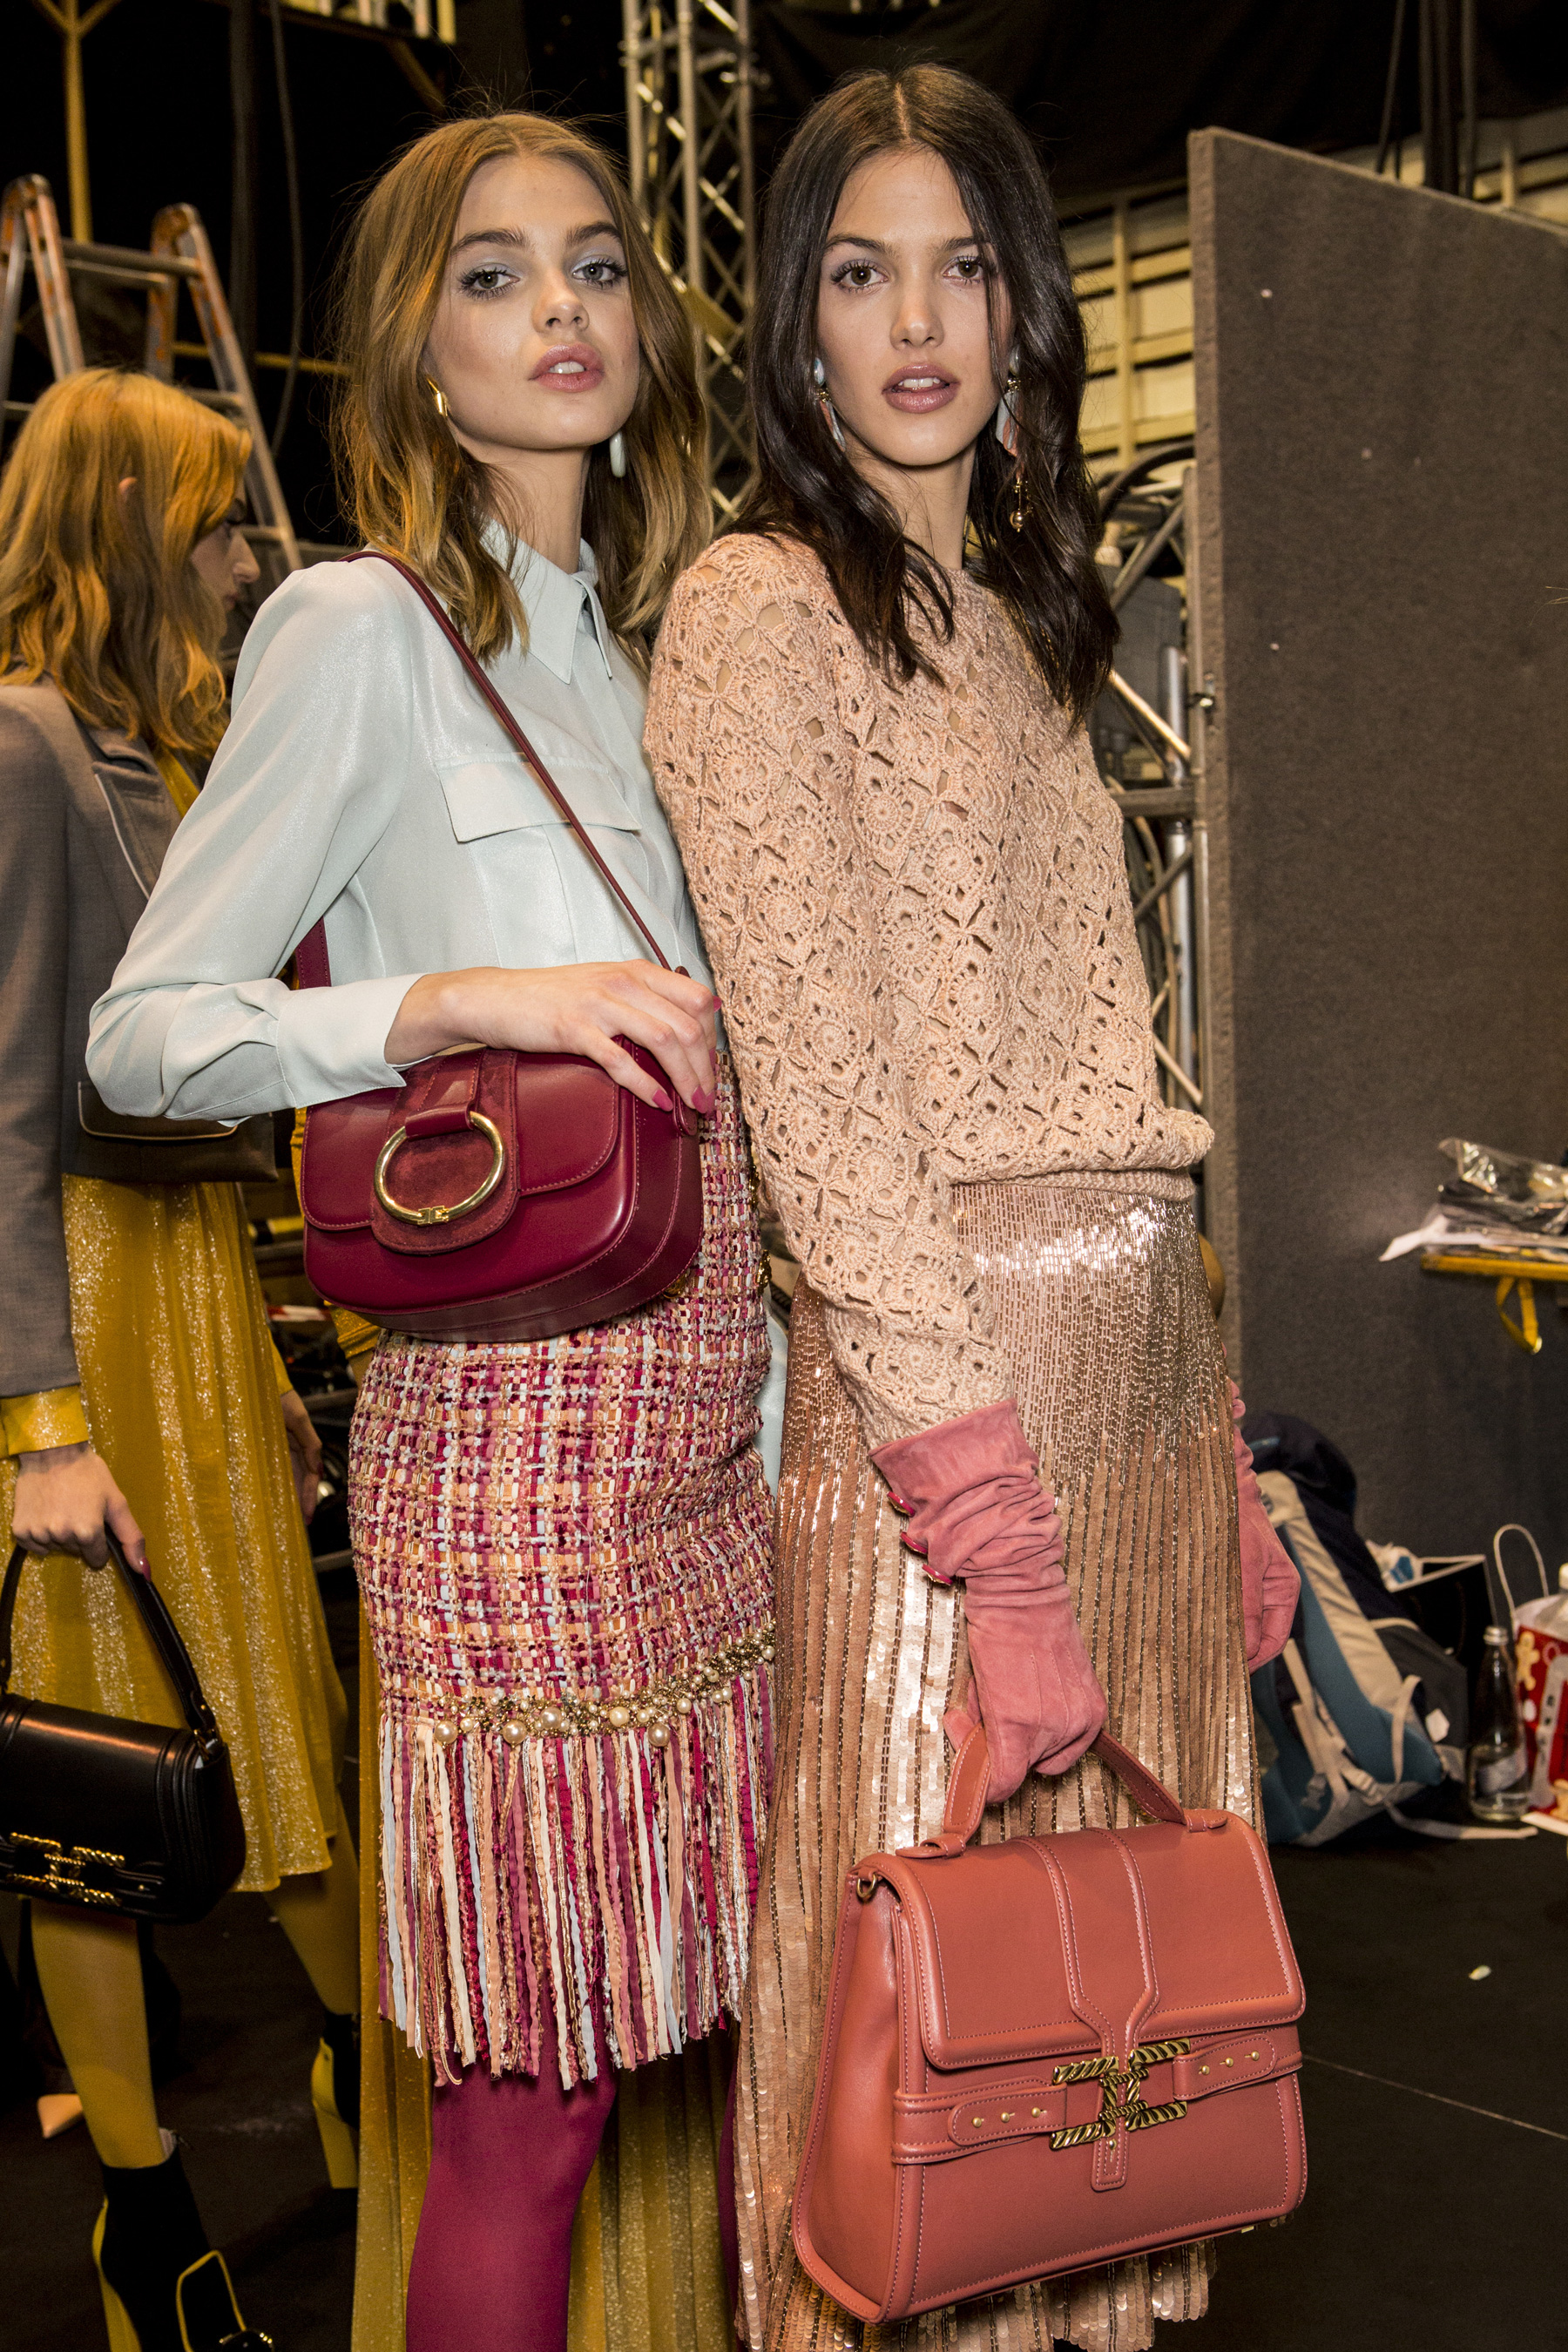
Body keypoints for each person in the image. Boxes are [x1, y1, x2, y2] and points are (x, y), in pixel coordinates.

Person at [87, 113, 777, 2352]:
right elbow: (142, 1037)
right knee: (524, 2103)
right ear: (412, 343)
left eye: (595, 263)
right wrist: (458, 1003)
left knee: (724, 2032)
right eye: (492, 273)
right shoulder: (356, 627)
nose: (560, 307)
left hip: (725, 1434)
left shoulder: (676, 652)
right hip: (509, 1454)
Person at [645, 64, 1298, 2352]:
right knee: (927, 2070)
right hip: (953, 1436)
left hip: (1131, 1388)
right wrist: (1002, 1549)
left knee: (1114, 2061)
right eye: (859, 270)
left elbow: (1106, 1057)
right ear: (794, 320)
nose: (916, 321)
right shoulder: (753, 612)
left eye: (961, 267)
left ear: (1027, 306)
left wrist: (1218, 1457)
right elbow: (828, 1114)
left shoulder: (1030, 612)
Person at [0, 367, 361, 2352]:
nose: (243, 560)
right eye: (219, 522)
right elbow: (3, 1111)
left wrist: (274, 1370)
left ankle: (356, 2064)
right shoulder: (26, 745)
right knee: (96, 1775)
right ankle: (146, 2220)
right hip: (80, 1320)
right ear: (133, 527)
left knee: (274, 1719)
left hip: (198, 1303)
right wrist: (41, 1418)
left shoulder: (172, 755)